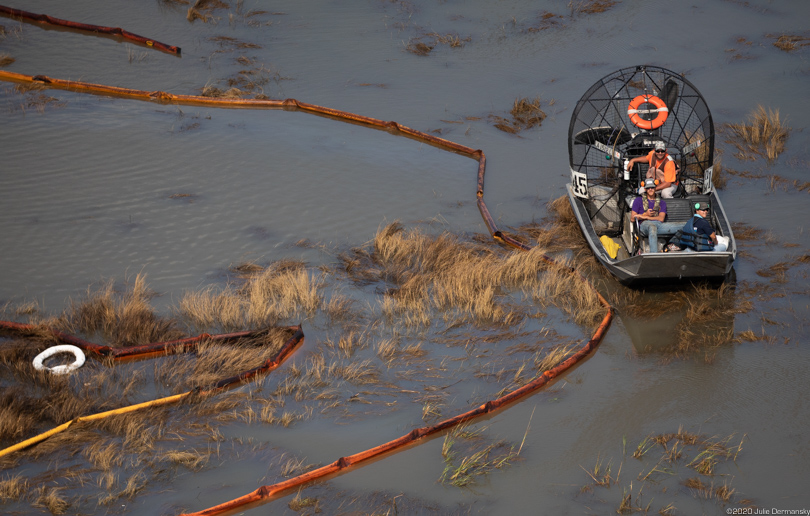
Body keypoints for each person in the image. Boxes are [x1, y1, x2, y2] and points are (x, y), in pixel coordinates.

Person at [630, 178, 683, 253]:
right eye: (648, 188)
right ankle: (653, 255)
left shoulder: (662, 202)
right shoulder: (638, 200)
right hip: (644, 225)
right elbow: (632, 218)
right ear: (645, 189)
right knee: (652, 227)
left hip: (659, 224)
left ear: (655, 188)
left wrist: (646, 216)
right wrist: (645, 214)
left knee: (685, 225)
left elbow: (661, 219)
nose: (650, 189)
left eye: (652, 187)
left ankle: (674, 245)